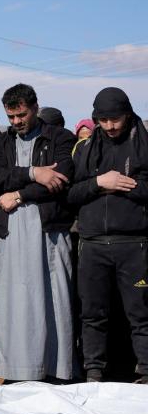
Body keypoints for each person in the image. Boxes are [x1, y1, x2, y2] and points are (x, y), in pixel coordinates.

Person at [0, 83, 76, 381]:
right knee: (15, 300)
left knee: (52, 298)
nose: (16, 122)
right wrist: (34, 172)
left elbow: (62, 178)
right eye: (10, 117)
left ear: (35, 107)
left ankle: (55, 369)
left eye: (21, 115)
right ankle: (15, 370)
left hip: (48, 230)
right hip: (12, 232)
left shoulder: (61, 138)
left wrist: (20, 195)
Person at [68, 87, 148, 383]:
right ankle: (94, 372)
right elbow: (71, 193)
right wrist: (100, 182)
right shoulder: (85, 150)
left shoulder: (143, 144)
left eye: (115, 119)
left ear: (127, 114)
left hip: (134, 243)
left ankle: (145, 373)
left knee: (141, 315)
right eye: (104, 120)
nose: (111, 126)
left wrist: (126, 186)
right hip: (93, 245)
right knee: (92, 314)